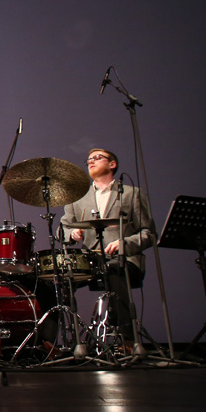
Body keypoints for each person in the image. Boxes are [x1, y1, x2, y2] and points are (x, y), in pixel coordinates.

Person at [62, 148, 156, 352]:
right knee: (56, 279)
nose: (91, 162)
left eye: (97, 157)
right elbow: (64, 228)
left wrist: (124, 244)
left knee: (114, 270)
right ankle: (50, 342)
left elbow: (148, 233)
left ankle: (127, 340)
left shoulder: (132, 194)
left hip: (124, 259)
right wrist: (72, 233)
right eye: (88, 159)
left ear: (112, 164)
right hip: (90, 260)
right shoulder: (77, 197)